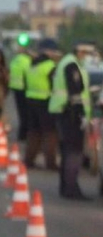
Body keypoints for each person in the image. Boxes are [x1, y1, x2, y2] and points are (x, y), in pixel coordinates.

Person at [50, 40, 97, 198]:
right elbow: (75, 92)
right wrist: (81, 114)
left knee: (67, 151)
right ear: (80, 52)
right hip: (70, 113)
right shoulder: (72, 65)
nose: (87, 57)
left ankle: (66, 187)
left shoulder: (65, 62)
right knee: (74, 152)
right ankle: (71, 189)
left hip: (63, 111)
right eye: (87, 54)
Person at [24, 39, 63, 171]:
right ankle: (51, 163)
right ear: (50, 52)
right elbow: (56, 86)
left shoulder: (32, 65)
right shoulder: (50, 66)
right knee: (50, 133)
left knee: (34, 132)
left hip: (30, 101)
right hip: (46, 101)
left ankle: (28, 160)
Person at [8, 41, 34, 143]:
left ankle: (22, 134)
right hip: (24, 88)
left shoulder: (15, 60)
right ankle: (23, 134)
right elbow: (29, 75)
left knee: (21, 112)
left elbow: (10, 71)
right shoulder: (27, 61)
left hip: (15, 88)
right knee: (25, 113)